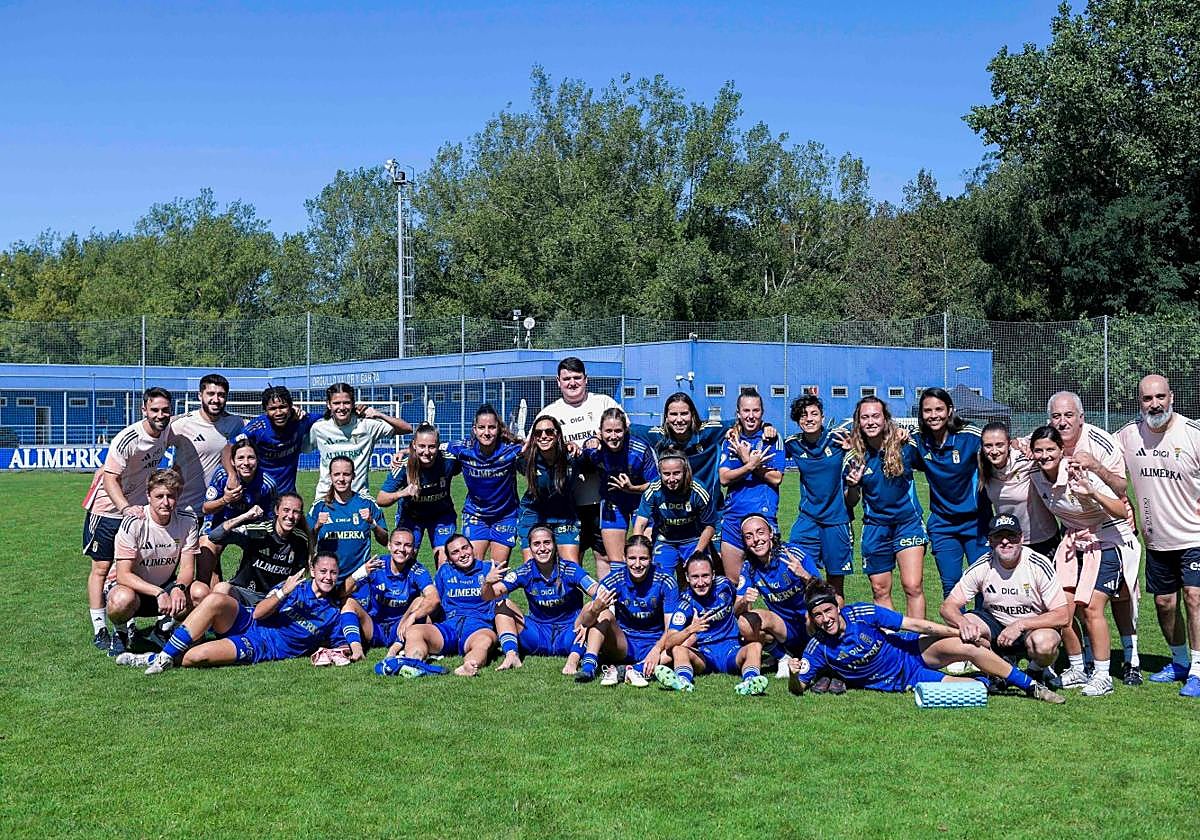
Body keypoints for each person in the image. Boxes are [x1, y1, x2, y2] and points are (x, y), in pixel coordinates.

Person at [787, 578, 1065, 703]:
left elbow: (916, 624)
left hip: (911, 650)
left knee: (969, 646)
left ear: (837, 607)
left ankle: (1032, 687)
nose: (825, 619)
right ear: (812, 619)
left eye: (828, 611)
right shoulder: (818, 648)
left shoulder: (863, 612)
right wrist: (792, 675)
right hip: (907, 680)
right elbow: (799, 687)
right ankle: (990, 680)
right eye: (818, 616)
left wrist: (959, 633)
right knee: (976, 690)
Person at [1029, 425, 1140, 696]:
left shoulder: (1078, 471)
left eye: (1050, 450)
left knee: (1092, 608)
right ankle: (1078, 667)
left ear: (1061, 450)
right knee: (1062, 610)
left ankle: (1103, 675)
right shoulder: (1035, 475)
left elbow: (1119, 507)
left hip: (1108, 540)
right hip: (1073, 543)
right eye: (1039, 450)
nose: (1045, 456)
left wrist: (1093, 493)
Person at [115, 553, 347, 674]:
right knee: (216, 598)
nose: (328, 577)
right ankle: (165, 657)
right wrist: (283, 593)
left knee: (196, 657)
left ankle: (151, 658)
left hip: (261, 646)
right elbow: (258, 613)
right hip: (248, 620)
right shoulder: (296, 586)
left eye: (333, 573)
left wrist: (339, 652)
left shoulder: (333, 613)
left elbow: (343, 646)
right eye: (323, 571)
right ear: (313, 570)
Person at [1115, 375, 1200, 697]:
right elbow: (1099, 453)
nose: (1155, 404)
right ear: (1139, 402)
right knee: (1165, 604)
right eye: (1148, 398)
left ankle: (1198, 669)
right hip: (1156, 540)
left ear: (1172, 397)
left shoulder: (1192, 433)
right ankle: (1179, 661)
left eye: (1160, 396)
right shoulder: (1128, 435)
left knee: (1195, 597)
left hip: (1194, 537)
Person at [82, 386, 175, 652]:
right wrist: (124, 508)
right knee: (101, 569)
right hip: (107, 511)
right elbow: (109, 477)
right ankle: (100, 628)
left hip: (136, 509)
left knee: (131, 566)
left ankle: (127, 622)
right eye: (154, 410)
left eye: (165, 410)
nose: (160, 415)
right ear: (143, 410)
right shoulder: (128, 438)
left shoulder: (167, 429)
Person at [939, 514, 1070, 689]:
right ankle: (996, 670)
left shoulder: (1038, 565)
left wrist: (1020, 625)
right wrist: (963, 623)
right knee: (966, 627)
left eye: (1011, 536)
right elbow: (948, 606)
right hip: (996, 628)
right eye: (998, 536)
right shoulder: (983, 566)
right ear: (990, 541)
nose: (1005, 542)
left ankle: (1035, 671)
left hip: (1032, 628)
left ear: (1021, 538)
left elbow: (1062, 616)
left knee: (1045, 643)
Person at [842, 396, 929, 618]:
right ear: (858, 421)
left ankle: (916, 644)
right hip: (875, 527)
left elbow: (933, 457)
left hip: (907, 523)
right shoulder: (854, 456)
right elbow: (851, 501)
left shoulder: (905, 447)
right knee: (880, 589)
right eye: (865, 417)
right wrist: (852, 485)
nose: (870, 422)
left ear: (885, 419)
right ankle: (888, 646)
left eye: (875, 416)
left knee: (912, 586)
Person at [104, 468, 203, 654]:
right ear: (148, 496)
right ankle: (121, 631)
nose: (166, 502)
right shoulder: (134, 522)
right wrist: (158, 593)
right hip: (130, 588)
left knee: (200, 592)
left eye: (171, 496)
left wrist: (179, 588)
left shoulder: (188, 521)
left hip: (164, 586)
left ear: (178, 495)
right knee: (121, 600)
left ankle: (164, 628)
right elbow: (123, 575)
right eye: (159, 496)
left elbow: (188, 568)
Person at [483, 524, 601, 678]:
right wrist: (487, 582)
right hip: (537, 634)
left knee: (591, 607)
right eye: (536, 544)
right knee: (502, 605)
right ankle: (511, 655)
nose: (542, 548)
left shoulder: (570, 569)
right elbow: (489, 596)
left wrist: (588, 620)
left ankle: (573, 659)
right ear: (530, 548)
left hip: (570, 633)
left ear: (554, 545)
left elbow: (598, 592)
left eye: (547, 542)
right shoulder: (524, 571)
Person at [537, 357, 621, 573]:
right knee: (571, 560)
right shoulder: (549, 413)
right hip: (568, 502)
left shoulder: (604, 403)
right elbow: (534, 449)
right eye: (566, 379)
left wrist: (599, 441)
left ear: (586, 379)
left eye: (577, 377)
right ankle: (572, 607)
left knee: (604, 556)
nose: (572, 383)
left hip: (604, 497)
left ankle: (607, 607)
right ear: (558, 381)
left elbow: (623, 433)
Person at [382, 534, 498, 677]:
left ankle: (469, 665)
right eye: (455, 552)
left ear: (472, 548)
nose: (462, 554)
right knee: (415, 631)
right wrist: (418, 620)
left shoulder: (489, 569)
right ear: (449, 559)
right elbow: (436, 603)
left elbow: (501, 603)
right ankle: (414, 662)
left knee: (484, 641)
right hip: (449, 627)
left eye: (465, 548)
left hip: (478, 627)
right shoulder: (445, 572)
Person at [654, 552, 768, 696]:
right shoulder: (685, 603)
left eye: (705, 576)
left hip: (732, 648)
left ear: (713, 575)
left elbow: (737, 609)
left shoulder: (725, 585)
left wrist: (744, 601)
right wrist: (690, 629)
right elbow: (669, 642)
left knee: (755, 646)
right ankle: (682, 681)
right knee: (678, 650)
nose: (700, 582)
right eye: (695, 577)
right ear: (687, 578)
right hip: (705, 655)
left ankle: (750, 682)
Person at [909, 387, 986, 599]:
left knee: (983, 583)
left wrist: (1018, 443)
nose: (933, 415)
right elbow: (893, 455)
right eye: (928, 411)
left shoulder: (969, 436)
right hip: (943, 525)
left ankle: (985, 630)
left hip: (976, 522)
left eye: (939, 409)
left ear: (950, 410)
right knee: (951, 587)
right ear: (921, 414)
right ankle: (956, 631)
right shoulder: (918, 442)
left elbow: (997, 444)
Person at [577, 534, 677, 687]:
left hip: (655, 643)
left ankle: (632, 670)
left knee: (679, 643)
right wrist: (595, 609)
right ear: (624, 558)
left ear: (651, 559)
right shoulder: (614, 580)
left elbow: (671, 628)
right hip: (624, 643)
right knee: (603, 613)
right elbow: (586, 622)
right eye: (632, 558)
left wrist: (657, 648)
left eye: (643, 558)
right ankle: (589, 666)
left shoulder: (665, 581)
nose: (637, 564)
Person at [735, 514, 821, 682]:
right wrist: (744, 600)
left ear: (771, 533)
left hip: (811, 624)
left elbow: (825, 593)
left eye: (760, 533)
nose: (756, 540)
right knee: (744, 622)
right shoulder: (749, 567)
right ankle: (783, 657)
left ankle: (818, 656)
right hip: (784, 628)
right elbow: (736, 609)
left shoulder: (792, 555)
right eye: (749, 536)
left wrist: (804, 575)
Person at [784, 395, 854, 596]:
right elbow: (771, 446)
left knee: (835, 586)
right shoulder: (793, 444)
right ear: (798, 420)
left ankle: (837, 627)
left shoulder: (838, 439)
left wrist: (852, 450)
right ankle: (808, 627)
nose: (809, 418)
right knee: (799, 575)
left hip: (837, 520)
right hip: (808, 521)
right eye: (803, 415)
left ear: (823, 417)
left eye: (814, 414)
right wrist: (769, 428)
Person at [338, 527, 439, 661]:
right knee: (348, 602)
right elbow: (341, 593)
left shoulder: (417, 570)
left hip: (402, 627)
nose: (402, 549)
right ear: (389, 546)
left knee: (420, 601)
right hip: (374, 627)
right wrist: (361, 572)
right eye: (397, 544)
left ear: (414, 549)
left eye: (407, 545)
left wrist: (411, 617)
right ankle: (357, 650)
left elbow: (434, 598)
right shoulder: (377, 565)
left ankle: (394, 649)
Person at [578, 407, 658, 575]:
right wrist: (589, 441)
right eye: (608, 431)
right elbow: (580, 456)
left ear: (626, 430)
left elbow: (657, 485)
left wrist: (632, 488)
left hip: (640, 503)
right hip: (612, 503)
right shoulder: (596, 450)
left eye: (618, 431)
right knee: (615, 563)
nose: (613, 436)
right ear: (600, 432)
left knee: (644, 557)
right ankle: (616, 601)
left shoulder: (640, 448)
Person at [718, 388, 785, 580]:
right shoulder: (731, 439)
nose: (751, 416)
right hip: (733, 519)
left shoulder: (772, 438)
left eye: (755, 410)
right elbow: (724, 478)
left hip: (763, 517)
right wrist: (750, 465)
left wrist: (748, 461)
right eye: (746, 411)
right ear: (738, 413)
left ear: (762, 412)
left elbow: (776, 478)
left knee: (774, 581)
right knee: (734, 583)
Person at [446, 404, 524, 563]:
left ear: (499, 429)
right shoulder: (462, 448)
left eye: (491, 427)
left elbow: (539, 448)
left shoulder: (511, 450)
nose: (486, 432)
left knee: (497, 569)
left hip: (505, 515)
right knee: (473, 566)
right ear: (474, 429)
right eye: (481, 427)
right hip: (476, 515)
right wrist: (405, 451)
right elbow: (430, 448)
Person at [205, 493, 311, 607]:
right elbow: (214, 536)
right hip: (245, 592)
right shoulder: (257, 531)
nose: (290, 516)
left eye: (296, 512)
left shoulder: (301, 540)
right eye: (286, 510)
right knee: (221, 589)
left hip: (275, 598)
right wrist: (245, 516)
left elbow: (298, 577)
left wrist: (278, 593)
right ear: (277, 510)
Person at [377, 423, 460, 566]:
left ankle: (439, 588)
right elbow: (381, 498)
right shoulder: (404, 466)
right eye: (422, 446)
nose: (426, 452)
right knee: (405, 560)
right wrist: (403, 493)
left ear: (438, 445)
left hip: (442, 516)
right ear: (414, 445)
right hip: (411, 517)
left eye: (432, 446)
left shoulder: (449, 460)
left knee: (445, 561)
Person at [309, 382, 413, 496]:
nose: (342, 407)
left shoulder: (366, 425)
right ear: (329, 405)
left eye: (346, 403)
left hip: (358, 498)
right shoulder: (319, 428)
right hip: (325, 498)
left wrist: (379, 414)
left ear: (353, 403)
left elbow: (407, 428)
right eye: (336, 403)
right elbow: (301, 446)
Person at [632, 448, 718, 580]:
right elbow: (640, 523)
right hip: (664, 540)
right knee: (659, 580)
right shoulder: (654, 490)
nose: (671, 479)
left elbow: (710, 527)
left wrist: (698, 552)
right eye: (666, 474)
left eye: (676, 473)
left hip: (694, 539)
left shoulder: (698, 490)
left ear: (685, 471)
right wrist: (638, 551)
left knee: (698, 577)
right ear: (660, 473)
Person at [198, 439, 277, 583]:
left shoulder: (267, 484)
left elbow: (271, 520)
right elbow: (205, 508)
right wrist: (225, 499)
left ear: (257, 460)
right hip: (219, 523)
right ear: (233, 462)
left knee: (267, 546)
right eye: (240, 458)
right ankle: (205, 592)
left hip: (249, 528)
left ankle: (246, 586)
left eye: (251, 457)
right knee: (206, 547)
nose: (246, 463)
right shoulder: (222, 476)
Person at [978, 422, 1061, 557]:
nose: (994, 451)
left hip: (1043, 539)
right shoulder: (982, 466)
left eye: (999, 445)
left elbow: (1047, 432)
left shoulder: (1026, 459)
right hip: (1010, 541)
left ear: (1009, 444)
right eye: (988, 446)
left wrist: (1024, 442)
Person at [170, 373, 245, 518]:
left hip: (217, 508)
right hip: (184, 508)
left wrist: (294, 413)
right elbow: (154, 443)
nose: (216, 400)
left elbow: (262, 425)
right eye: (210, 394)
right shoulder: (182, 424)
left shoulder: (235, 423)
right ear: (200, 395)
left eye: (221, 395)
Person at [307, 456, 388, 584]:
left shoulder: (367, 503)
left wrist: (372, 523)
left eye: (346, 474)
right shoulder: (319, 506)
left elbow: (384, 540)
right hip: (328, 580)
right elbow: (306, 541)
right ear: (330, 476)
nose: (341, 479)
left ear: (354, 476)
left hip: (359, 580)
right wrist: (317, 526)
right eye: (337, 474)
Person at [518, 415, 582, 562]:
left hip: (564, 515)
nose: (543, 436)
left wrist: (593, 441)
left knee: (571, 568)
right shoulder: (525, 459)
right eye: (538, 433)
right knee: (532, 569)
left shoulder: (573, 457)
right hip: (533, 514)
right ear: (533, 437)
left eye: (549, 431)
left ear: (558, 434)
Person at [238, 385, 320, 494]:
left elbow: (329, 417)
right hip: (261, 494)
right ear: (265, 411)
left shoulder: (301, 421)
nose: (279, 413)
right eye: (273, 409)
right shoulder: (258, 428)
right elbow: (229, 447)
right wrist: (232, 476)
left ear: (291, 406)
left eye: (283, 407)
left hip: (287, 495)